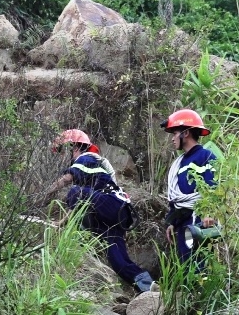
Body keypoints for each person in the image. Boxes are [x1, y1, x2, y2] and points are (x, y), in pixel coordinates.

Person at [47, 129, 153, 292]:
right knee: (118, 261)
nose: (61, 157)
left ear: (74, 148)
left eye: (62, 150)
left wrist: (42, 195)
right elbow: (78, 205)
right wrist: (60, 223)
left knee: (75, 193)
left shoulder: (86, 158)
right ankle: (150, 287)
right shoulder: (90, 175)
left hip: (111, 205)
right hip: (117, 212)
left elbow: (68, 181)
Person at [160, 109, 218, 268]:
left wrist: (209, 212)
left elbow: (212, 186)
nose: (172, 139)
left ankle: (200, 292)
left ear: (185, 133)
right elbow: (176, 196)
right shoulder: (179, 163)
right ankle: (190, 292)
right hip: (182, 220)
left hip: (197, 217)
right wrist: (172, 221)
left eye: (175, 133)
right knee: (185, 262)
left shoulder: (205, 156)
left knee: (197, 262)